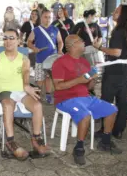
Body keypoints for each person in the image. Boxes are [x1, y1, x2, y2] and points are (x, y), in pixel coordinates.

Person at [52, 34, 122, 165]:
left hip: (85, 97)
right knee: (85, 115)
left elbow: (88, 86)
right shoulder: (60, 62)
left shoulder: (84, 62)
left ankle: (105, 141)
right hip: (66, 99)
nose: (84, 43)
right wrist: (80, 79)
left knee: (112, 109)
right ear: (72, 45)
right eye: (81, 41)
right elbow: (58, 86)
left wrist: (93, 79)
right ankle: (79, 148)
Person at [0, 29, 49, 160]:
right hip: (5, 91)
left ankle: (36, 139)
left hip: (21, 91)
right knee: (7, 105)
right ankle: (11, 142)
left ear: (19, 41)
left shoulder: (24, 59)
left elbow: (25, 77)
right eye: (6, 38)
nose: (8, 41)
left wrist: (27, 87)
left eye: (12, 38)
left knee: (37, 106)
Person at [92, 4, 127, 139]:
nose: (113, 12)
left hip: (115, 70)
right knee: (121, 100)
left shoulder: (119, 31)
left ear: (123, 15)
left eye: (117, 11)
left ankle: (105, 129)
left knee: (106, 99)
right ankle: (118, 130)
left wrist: (100, 47)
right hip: (126, 69)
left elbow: (116, 52)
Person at [27, 9, 63, 103]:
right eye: (45, 17)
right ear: (41, 18)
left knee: (48, 77)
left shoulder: (55, 29)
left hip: (52, 58)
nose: (48, 19)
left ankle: (48, 95)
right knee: (39, 79)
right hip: (40, 58)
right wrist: (34, 48)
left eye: (50, 17)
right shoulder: (36, 30)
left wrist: (59, 50)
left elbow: (60, 42)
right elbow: (29, 42)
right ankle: (37, 95)